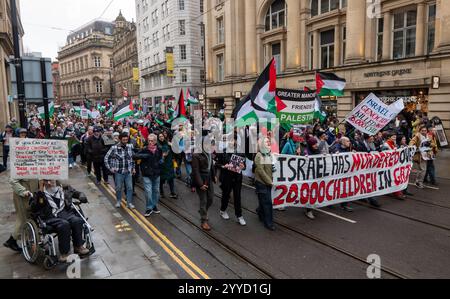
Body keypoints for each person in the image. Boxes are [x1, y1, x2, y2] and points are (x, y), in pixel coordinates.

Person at [30, 180, 90, 262]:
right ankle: (64, 253)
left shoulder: (64, 188)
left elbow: (76, 193)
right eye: (46, 181)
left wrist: (81, 195)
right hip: (50, 216)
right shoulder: (39, 193)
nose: (49, 183)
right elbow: (34, 208)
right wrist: (41, 192)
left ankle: (78, 246)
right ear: (43, 182)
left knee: (77, 220)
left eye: (51, 180)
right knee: (64, 224)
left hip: (65, 213)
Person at [216, 136, 247, 226]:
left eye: (233, 139)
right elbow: (217, 164)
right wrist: (223, 166)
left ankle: (239, 215)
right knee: (226, 195)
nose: (231, 141)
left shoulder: (241, 152)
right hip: (227, 177)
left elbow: (244, 166)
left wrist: (243, 166)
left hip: (237, 178)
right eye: (229, 140)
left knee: (237, 196)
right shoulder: (223, 151)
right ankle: (223, 210)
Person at [191, 131, 217, 231]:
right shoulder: (196, 155)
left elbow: (211, 165)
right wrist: (200, 184)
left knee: (210, 199)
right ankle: (204, 220)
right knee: (204, 200)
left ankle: (203, 211)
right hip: (201, 180)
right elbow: (195, 171)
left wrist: (214, 175)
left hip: (209, 178)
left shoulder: (209, 153)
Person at [104, 132, 136, 209]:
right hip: (119, 172)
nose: (125, 141)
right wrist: (110, 168)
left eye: (126, 139)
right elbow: (106, 158)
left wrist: (133, 168)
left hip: (128, 172)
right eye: (123, 139)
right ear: (120, 139)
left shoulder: (130, 147)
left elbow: (132, 158)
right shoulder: (114, 148)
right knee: (118, 188)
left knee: (130, 188)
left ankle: (129, 203)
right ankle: (118, 201)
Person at [134, 134, 163, 217]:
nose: (150, 142)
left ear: (155, 141)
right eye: (149, 140)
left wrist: (160, 163)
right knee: (148, 192)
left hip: (156, 173)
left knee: (156, 191)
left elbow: (160, 158)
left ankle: (154, 206)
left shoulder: (159, 149)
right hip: (146, 173)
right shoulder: (144, 149)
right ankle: (149, 207)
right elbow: (135, 156)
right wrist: (144, 156)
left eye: (152, 141)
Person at [254, 136, 275, 231]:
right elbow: (261, 171)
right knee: (267, 203)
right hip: (262, 183)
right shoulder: (259, 155)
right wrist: (270, 182)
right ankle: (268, 223)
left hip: (268, 182)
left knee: (264, 201)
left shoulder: (269, 154)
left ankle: (260, 212)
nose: (268, 143)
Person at [332, 137, 354, 212]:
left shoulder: (348, 148)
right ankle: (330, 203)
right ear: (343, 142)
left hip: (345, 172)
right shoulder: (336, 148)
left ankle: (344, 205)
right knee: (335, 188)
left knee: (345, 188)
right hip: (337, 173)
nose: (349, 142)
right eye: (348, 141)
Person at [158, 133, 178, 199]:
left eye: (162, 136)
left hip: (169, 164)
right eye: (160, 136)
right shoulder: (158, 145)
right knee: (161, 179)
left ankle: (172, 192)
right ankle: (161, 192)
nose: (161, 137)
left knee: (171, 178)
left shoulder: (168, 143)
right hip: (162, 165)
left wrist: (172, 145)